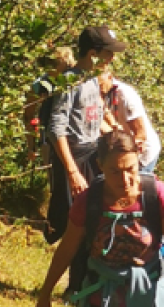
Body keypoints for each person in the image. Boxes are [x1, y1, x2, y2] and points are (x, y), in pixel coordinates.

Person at [35, 129, 164, 307]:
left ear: (138, 157)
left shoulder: (158, 196)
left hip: (150, 292)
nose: (125, 180)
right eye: (115, 172)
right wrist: (45, 293)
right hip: (101, 294)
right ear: (100, 165)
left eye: (130, 169)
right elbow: (67, 249)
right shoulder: (89, 201)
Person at [46, 26, 126, 250]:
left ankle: (82, 279)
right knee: (76, 223)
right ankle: (72, 281)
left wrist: (119, 142)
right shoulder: (69, 82)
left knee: (93, 219)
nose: (112, 58)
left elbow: (94, 117)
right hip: (73, 155)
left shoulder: (92, 81)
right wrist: (72, 172)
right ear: (93, 54)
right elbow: (56, 128)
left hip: (92, 153)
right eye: (108, 53)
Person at [24, 47, 77, 167]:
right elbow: (28, 114)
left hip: (79, 138)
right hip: (50, 140)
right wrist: (31, 146)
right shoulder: (40, 85)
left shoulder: (77, 81)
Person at [105, 75, 162, 174]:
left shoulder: (124, 94)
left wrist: (129, 156)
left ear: (109, 77)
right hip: (125, 147)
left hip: (144, 153)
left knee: (135, 185)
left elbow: (141, 134)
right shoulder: (102, 93)